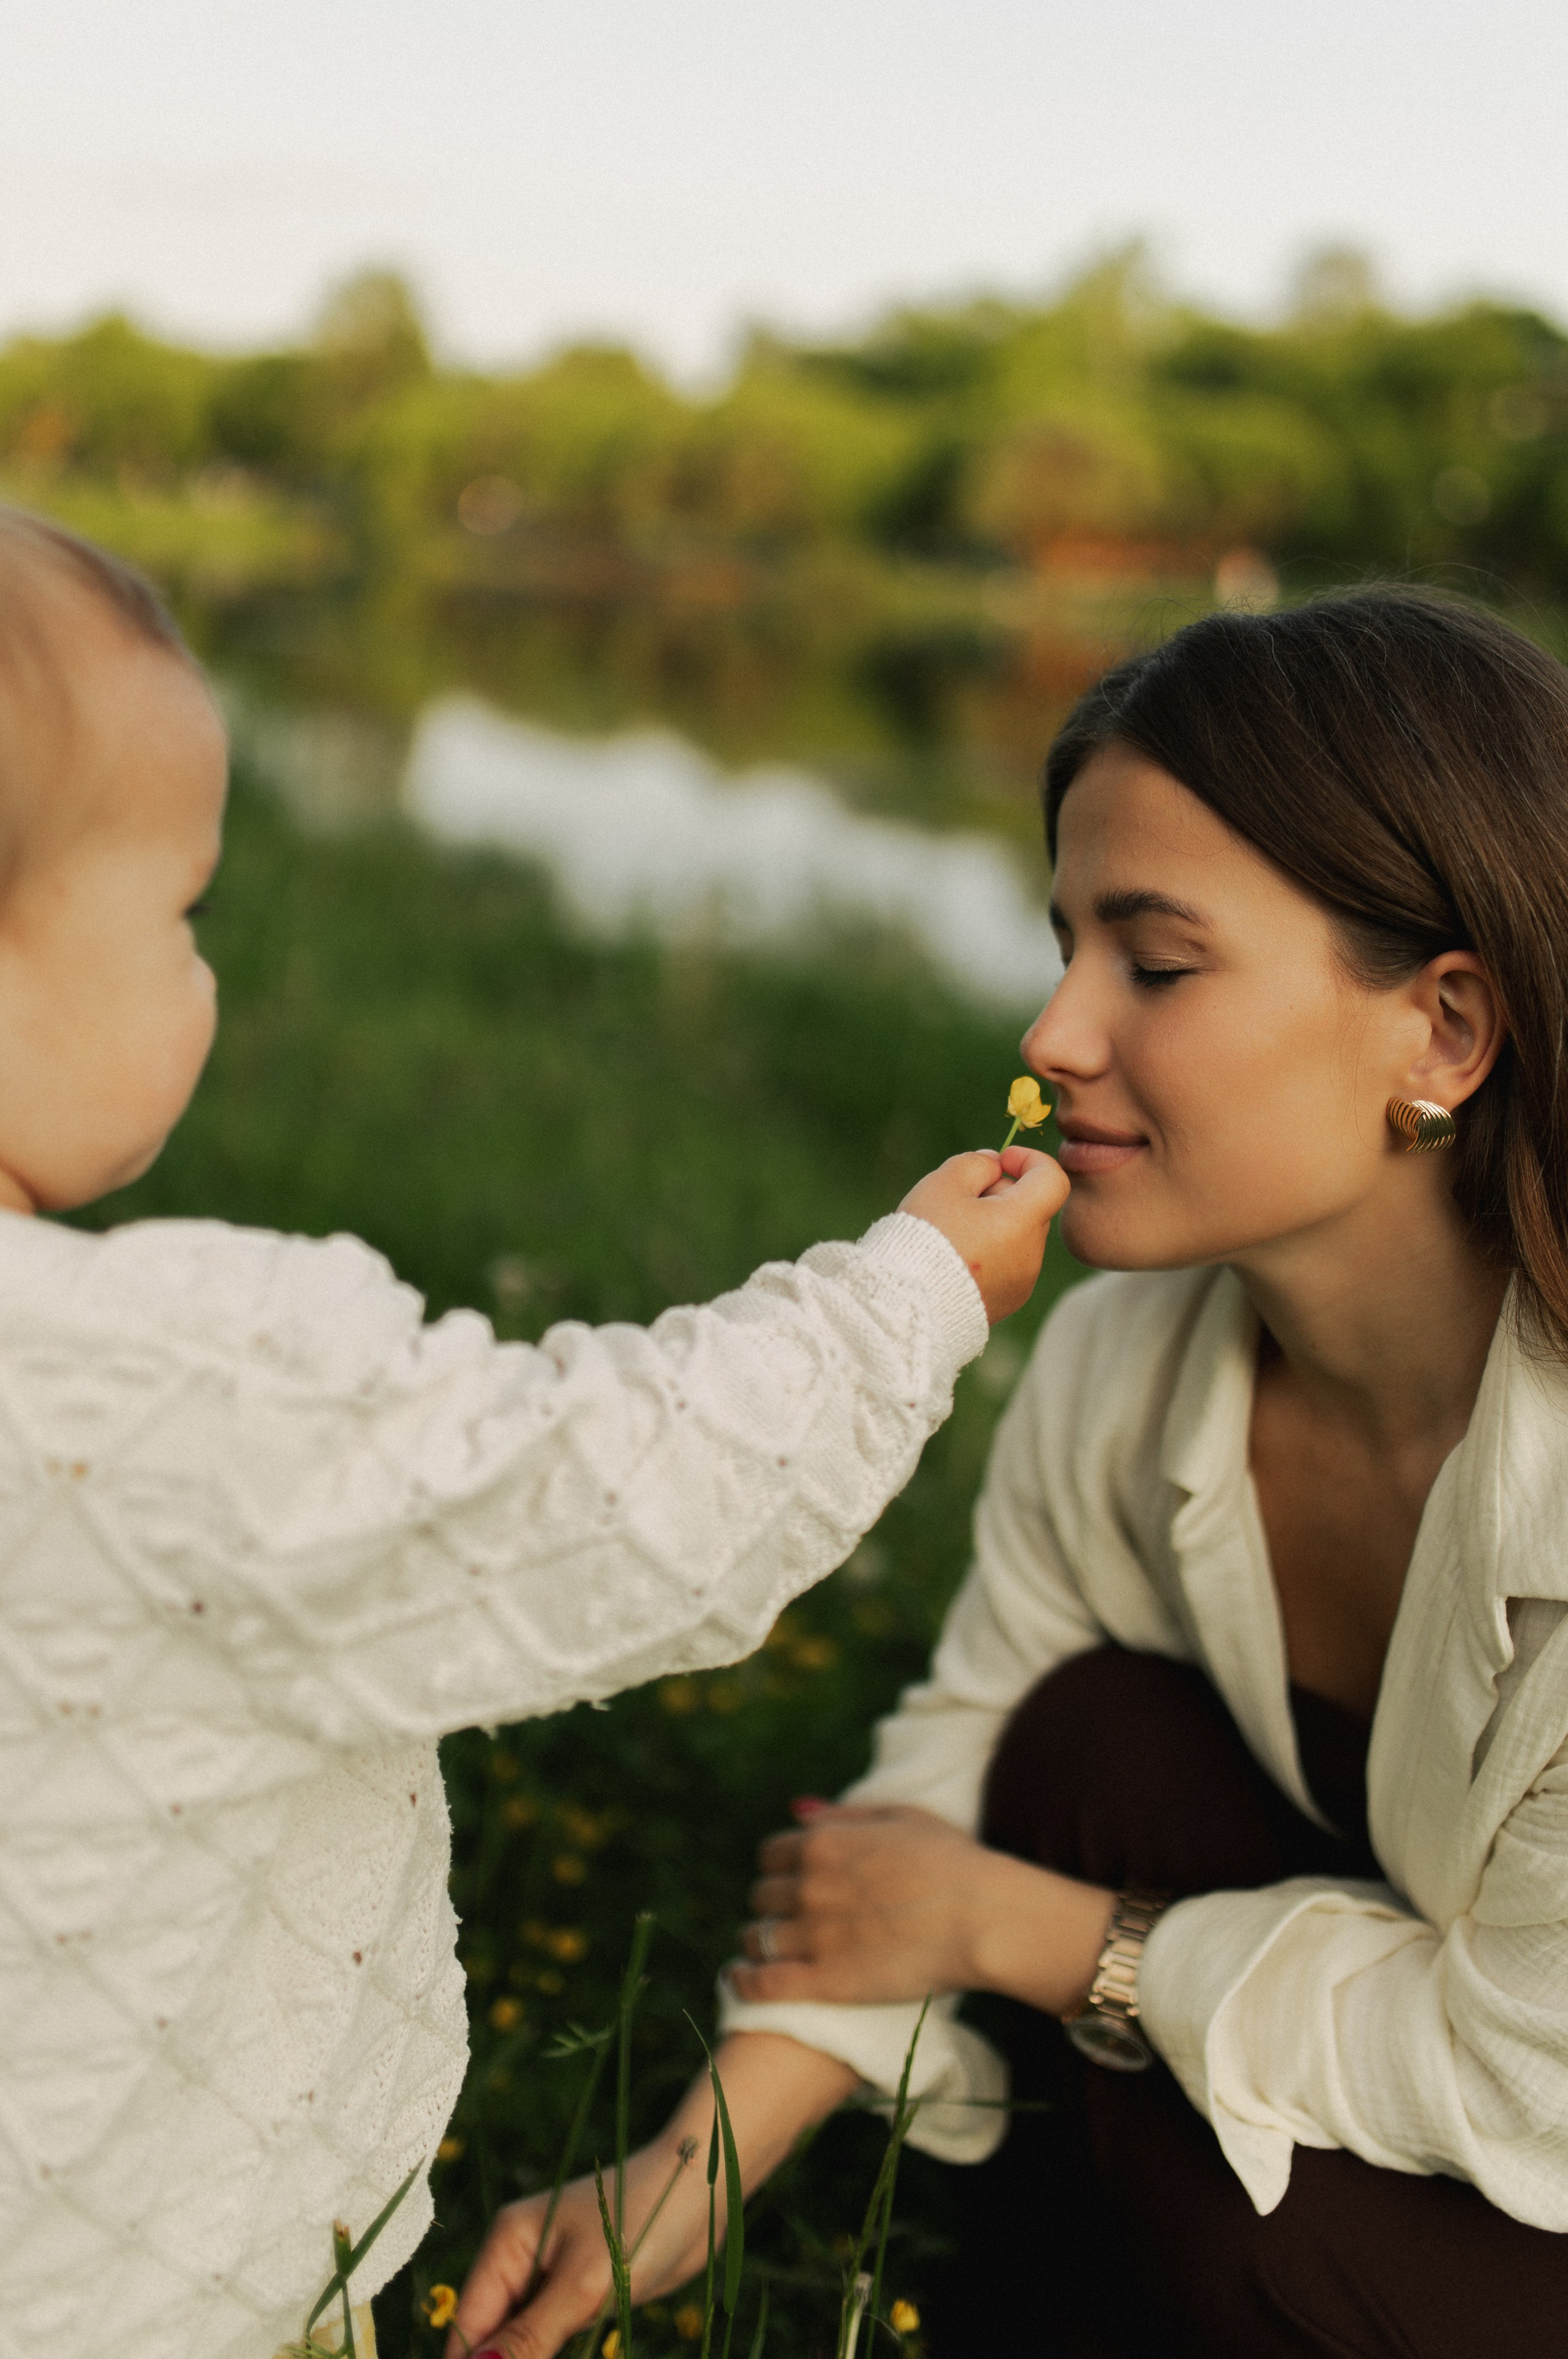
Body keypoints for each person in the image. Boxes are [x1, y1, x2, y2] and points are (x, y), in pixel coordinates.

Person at [0, 503, 1069, 2359]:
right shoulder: (168, 1382)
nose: (207, 978)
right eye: (179, 914)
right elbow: (603, 1501)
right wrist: (905, 1300)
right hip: (155, 2283)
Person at [458, 587, 1568, 2359]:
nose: (1052, 1037)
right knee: (1084, 1734)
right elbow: (974, 1742)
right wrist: (695, 2156)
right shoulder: (1134, 1359)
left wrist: (1050, 1941)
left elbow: (1527, 2077)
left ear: (1440, 1032)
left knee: (1243, 2246)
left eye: (1158, 961)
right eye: (1065, 944)